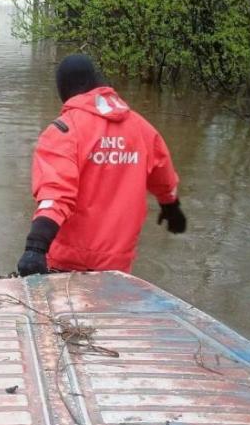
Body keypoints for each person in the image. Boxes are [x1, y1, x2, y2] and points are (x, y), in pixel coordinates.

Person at [16, 54, 186, 276]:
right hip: (117, 265)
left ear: (64, 90)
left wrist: (35, 247)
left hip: (67, 263)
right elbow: (164, 176)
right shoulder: (141, 128)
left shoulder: (63, 131)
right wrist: (170, 206)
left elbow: (55, 195)